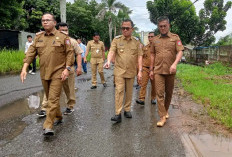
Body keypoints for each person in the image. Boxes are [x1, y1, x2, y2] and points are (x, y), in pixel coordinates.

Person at [20, 13, 74, 136]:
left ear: (54, 23)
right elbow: (30, 53)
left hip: (58, 72)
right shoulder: (38, 37)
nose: (45, 22)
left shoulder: (62, 36)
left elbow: (70, 53)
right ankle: (59, 116)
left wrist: (67, 69)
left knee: (53, 98)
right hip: (44, 73)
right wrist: (24, 68)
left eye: (48, 20)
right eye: (43, 20)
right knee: (51, 97)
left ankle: (48, 125)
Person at [37, 22, 83, 117]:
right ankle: (45, 108)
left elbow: (78, 53)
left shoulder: (72, 41)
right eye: (62, 30)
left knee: (69, 89)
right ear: (57, 30)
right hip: (54, 69)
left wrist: (79, 67)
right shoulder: (51, 40)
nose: (65, 32)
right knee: (49, 89)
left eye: (66, 30)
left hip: (68, 69)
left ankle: (70, 106)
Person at [104, 19, 143, 123]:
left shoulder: (136, 41)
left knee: (129, 92)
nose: (125, 30)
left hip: (131, 71)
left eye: (127, 28)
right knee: (119, 90)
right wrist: (108, 61)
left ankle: (127, 109)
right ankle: (118, 113)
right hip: (119, 71)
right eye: (123, 28)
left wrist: (140, 71)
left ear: (132, 29)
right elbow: (111, 51)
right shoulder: (116, 40)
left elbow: (140, 57)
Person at [149, 16, 184, 127]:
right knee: (159, 94)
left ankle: (165, 110)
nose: (163, 28)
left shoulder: (175, 38)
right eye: (160, 26)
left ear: (169, 25)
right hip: (158, 70)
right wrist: (151, 69)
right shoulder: (155, 39)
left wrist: (174, 64)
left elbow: (180, 52)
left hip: (170, 71)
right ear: (158, 27)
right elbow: (152, 54)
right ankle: (162, 117)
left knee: (168, 93)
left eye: (165, 26)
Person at [136, 32, 157, 105]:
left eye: (152, 36)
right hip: (145, 68)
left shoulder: (157, 47)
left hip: (154, 69)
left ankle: (153, 98)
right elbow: (142, 57)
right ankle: (142, 99)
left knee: (154, 85)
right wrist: (140, 68)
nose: (150, 38)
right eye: (149, 37)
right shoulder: (145, 47)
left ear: (155, 37)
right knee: (143, 83)